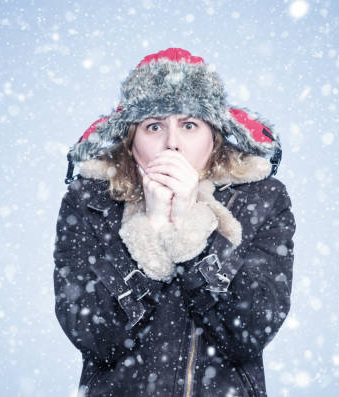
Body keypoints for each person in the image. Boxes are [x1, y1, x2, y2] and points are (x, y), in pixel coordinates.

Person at [53, 48, 296, 397]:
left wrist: (187, 229)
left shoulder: (260, 200)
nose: (172, 143)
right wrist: (150, 232)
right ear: (131, 141)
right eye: (154, 126)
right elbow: (92, 335)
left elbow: (251, 330)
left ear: (213, 136)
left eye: (189, 125)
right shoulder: (90, 203)